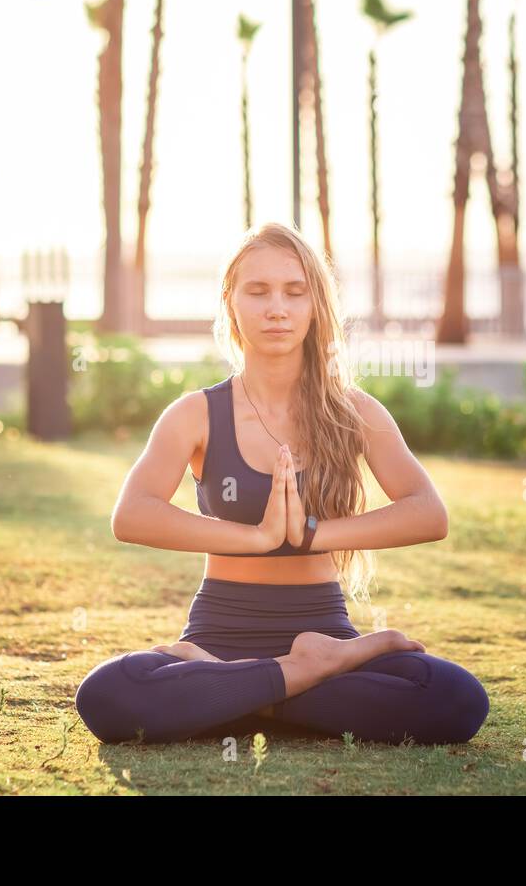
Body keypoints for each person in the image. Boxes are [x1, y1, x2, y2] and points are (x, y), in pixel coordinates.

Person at [74, 222, 489, 745]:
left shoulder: (355, 412)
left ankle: (236, 695)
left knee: (455, 698)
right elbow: (131, 514)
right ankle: (302, 676)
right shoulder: (195, 414)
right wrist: (255, 539)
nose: (277, 308)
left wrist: (311, 534)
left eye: (295, 292)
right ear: (231, 303)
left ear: (315, 304)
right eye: (258, 291)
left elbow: (429, 513)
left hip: (323, 627)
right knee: (106, 696)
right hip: (218, 633)